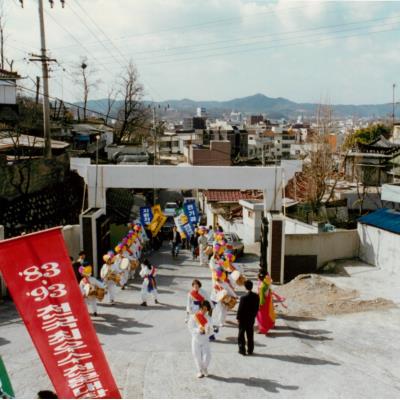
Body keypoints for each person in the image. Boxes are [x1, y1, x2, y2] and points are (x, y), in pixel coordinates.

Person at [188, 300, 212, 378]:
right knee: (196, 355)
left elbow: (211, 329)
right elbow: (191, 327)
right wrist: (198, 330)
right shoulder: (194, 316)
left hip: (205, 340)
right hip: (196, 339)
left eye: (206, 309)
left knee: (207, 356)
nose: (204, 311)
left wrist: (209, 330)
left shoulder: (209, 318)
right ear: (200, 308)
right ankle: (199, 370)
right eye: (203, 309)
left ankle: (204, 367)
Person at [236, 280, 260, 356]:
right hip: (251, 318)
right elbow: (257, 308)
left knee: (241, 335)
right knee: (250, 334)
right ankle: (250, 350)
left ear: (245, 287)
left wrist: (238, 318)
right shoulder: (256, 296)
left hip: (243, 319)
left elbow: (240, 309)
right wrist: (254, 315)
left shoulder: (243, 298)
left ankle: (242, 349)